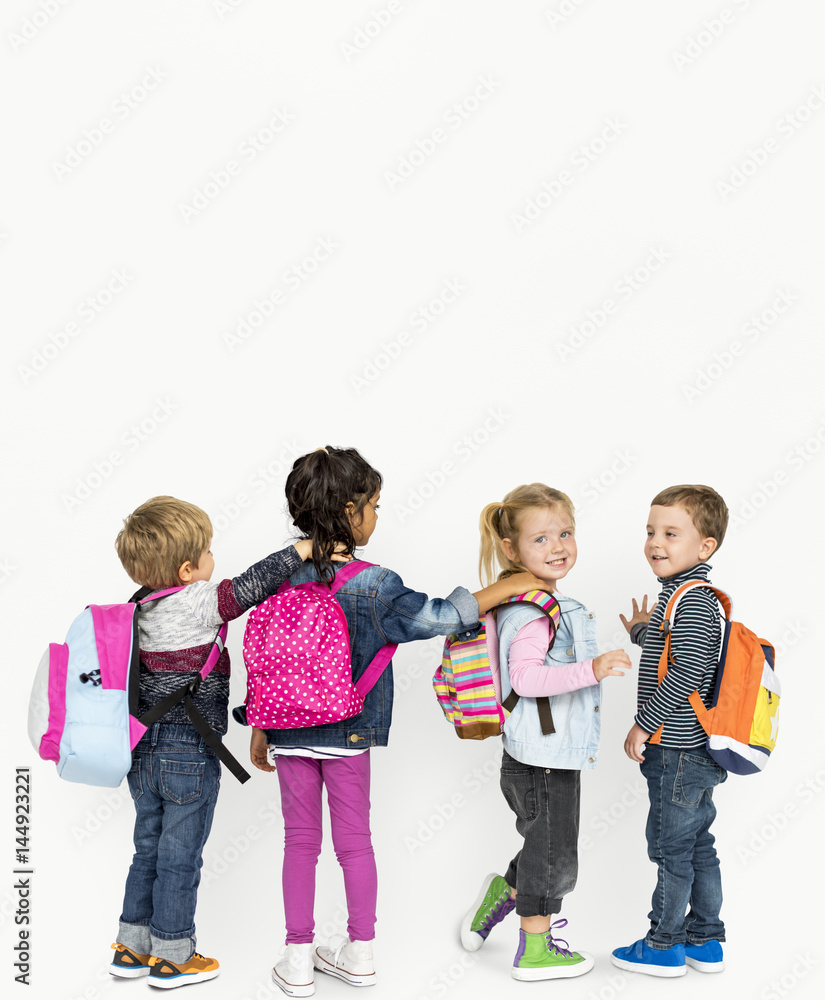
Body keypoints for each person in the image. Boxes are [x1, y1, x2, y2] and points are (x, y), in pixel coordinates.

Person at [242, 447, 545, 997]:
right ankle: (360, 955)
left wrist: (261, 724)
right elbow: (439, 618)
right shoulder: (376, 584)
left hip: (287, 731)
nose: (377, 516)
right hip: (350, 731)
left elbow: (266, 658)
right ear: (352, 511)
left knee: (298, 844)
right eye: (375, 505)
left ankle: (298, 959)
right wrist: (507, 587)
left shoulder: (279, 576)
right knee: (355, 845)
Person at [110, 495, 330, 989]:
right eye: (207, 552)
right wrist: (303, 548)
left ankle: (130, 946)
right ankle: (174, 954)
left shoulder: (136, 607)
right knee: (180, 856)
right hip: (188, 750)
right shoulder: (198, 599)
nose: (214, 559)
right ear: (188, 569)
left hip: (140, 751)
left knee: (147, 848)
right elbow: (251, 586)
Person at [460, 484, 631, 981]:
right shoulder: (533, 609)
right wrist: (593, 669)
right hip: (540, 758)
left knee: (549, 844)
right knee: (553, 852)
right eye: (541, 539)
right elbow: (528, 680)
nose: (558, 546)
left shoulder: (546, 600)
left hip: (547, 752)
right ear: (511, 549)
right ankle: (534, 948)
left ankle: (504, 892)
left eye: (566, 533)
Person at [611, 484, 729, 978]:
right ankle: (705, 940)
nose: (656, 542)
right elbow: (672, 648)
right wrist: (643, 630)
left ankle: (663, 945)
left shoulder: (693, 599)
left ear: (705, 547)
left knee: (671, 850)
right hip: (694, 751)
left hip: (678, 749)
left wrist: (644, 723)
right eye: (651, 531)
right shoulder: (676, 596)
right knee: (699, 844)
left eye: (671, 533)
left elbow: (687, 672)